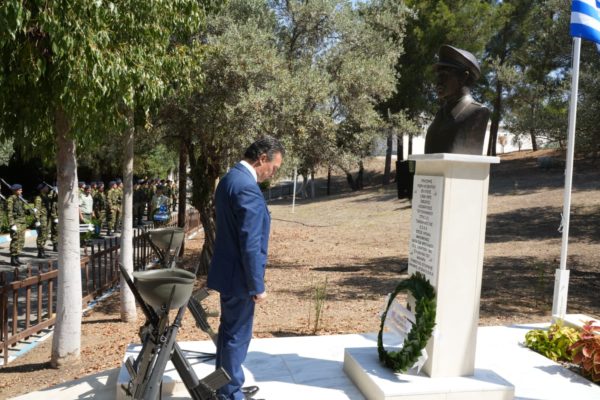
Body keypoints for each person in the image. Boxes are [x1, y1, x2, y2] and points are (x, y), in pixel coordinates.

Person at [207, 136, 284, 400]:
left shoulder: (230, 179)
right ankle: (230, 394)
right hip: (240, 277)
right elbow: (250, 242)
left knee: (228, 332)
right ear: (262, 158)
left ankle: (222, 387)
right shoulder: (246, 187)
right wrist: (257, 285)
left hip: (228, 273)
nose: (272, 174)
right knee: (237, 337)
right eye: (274, 167)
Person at [424, 45, 491, 155]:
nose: (438, 82)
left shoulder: (478, 112)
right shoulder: (440, 115)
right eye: (438, 76)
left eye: (444, 75)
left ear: (464, 77)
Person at [7, 184, 28, 266]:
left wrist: (29, 211)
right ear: (15, 190)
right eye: (19, 190)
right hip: (16, 222)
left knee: (21, 240)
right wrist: (12, 224)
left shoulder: (20, 198)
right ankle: (13, 259)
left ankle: (17, 257)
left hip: (22, 222)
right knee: (15, 240)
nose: (21, 191)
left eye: (21, 189)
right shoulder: (11, 199)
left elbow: (23, 210)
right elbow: (9, 212)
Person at [33, 184, 51, 258]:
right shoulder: (38, 198)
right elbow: (36, 210)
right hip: (42, 218)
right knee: (41, 235)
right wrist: (37, 220)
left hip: (47, 218)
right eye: (46, 187)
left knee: (45, 235)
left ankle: (42, 250)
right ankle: (40, 252)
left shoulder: (46, 196)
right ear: (42, 189)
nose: (47, 188)